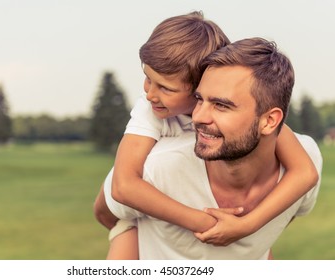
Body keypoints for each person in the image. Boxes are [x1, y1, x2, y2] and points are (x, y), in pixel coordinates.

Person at [93, 12, 319, 259]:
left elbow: (304, 171)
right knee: (124, 233)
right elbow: (123, 187)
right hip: (138, 220)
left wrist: (248, 227)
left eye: (166, 87)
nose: (149, 94)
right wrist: (203, 222)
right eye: (147, 79)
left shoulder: (256, 119)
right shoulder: (150, 113)